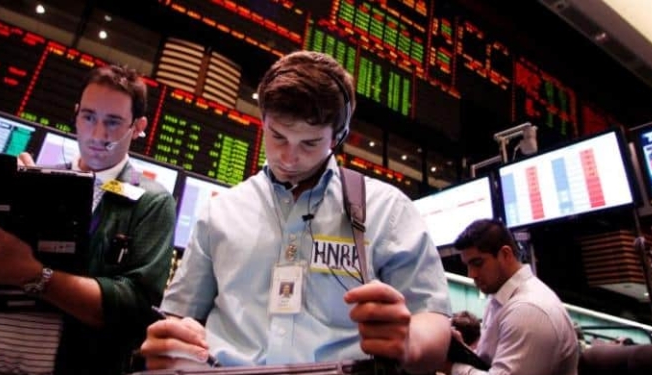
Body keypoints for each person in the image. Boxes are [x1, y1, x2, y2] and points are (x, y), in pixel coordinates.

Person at [140, 50, 452, 372]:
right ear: (263, 121)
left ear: (338, 136)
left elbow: (433, 321)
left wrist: (410, 341)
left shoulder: (388, 209)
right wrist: (168, 342)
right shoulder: (219, 212)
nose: (289, 157)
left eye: (309, 143)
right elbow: (179, 317)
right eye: (277, 137)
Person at [0, 65, 177, 375]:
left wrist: (34, 275)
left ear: (138, 127)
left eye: (113, 122)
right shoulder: (33, 176)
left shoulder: (151, 201)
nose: (97, 134)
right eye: (89, 117)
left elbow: (134, 308)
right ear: (76, 113)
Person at [445, 219, 578, 375]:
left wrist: (450, 367)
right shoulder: (499, 299)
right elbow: (492, 365)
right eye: (467, 265)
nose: (471, 274)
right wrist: (462, 352)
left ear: (505, 254)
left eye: (478, 263)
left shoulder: (528, 309)